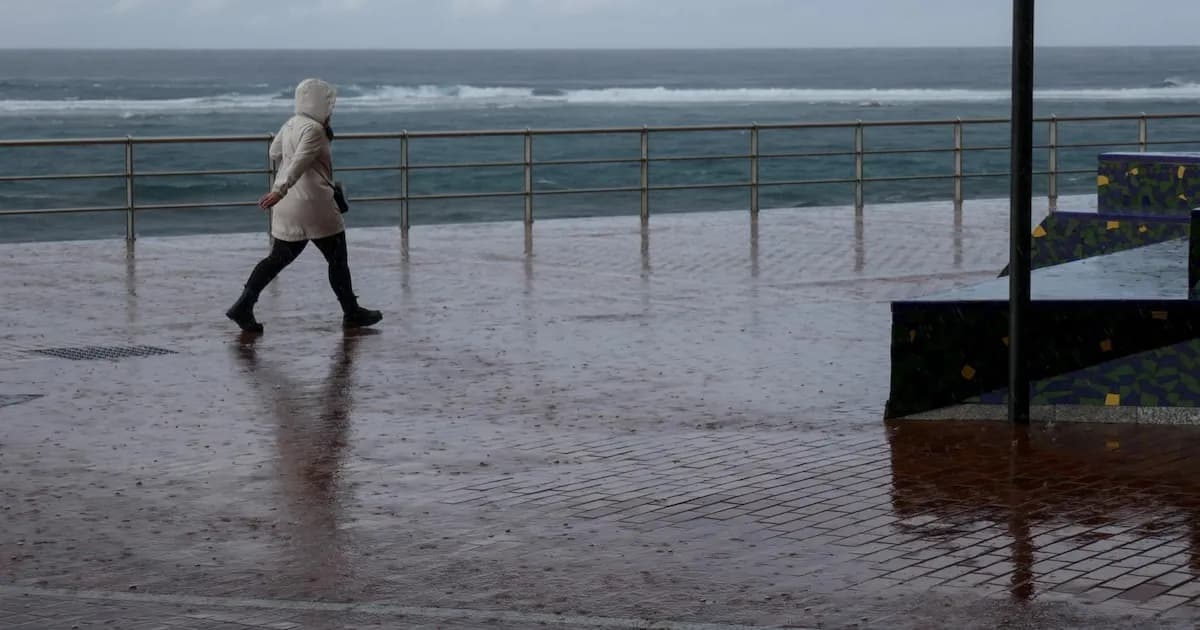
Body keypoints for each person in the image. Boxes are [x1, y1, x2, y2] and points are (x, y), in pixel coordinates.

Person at [226, 78, 382, 333]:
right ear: (319, 103)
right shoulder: (314, 130)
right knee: (337, 260)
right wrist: (279, 189)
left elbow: (274, 153)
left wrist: (282, 186)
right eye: (329, 105)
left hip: (288, 206)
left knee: (276, 259)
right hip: (314, 205)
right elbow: (300, 162)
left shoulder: (291, 123)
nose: (331, 110)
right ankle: (351, 312)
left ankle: (244, 305)